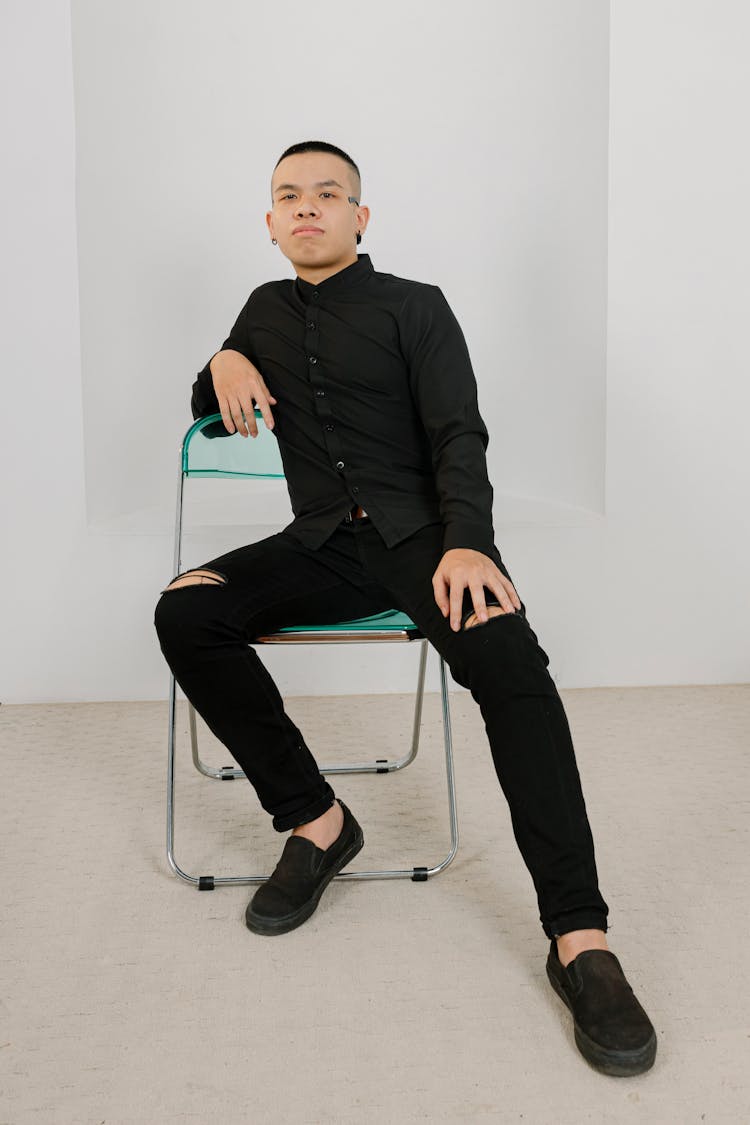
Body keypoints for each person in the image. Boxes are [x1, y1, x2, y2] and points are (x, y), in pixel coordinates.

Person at [154, 140, 656, 1076]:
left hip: (429, 544)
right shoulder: (262, 311)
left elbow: (459, 432)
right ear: (270, 222)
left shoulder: (416, 307)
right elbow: (217, 405)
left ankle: (580, 938)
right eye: (289, 198)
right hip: (320, 546)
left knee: (514, 670)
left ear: (360, 217)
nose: (308, 208)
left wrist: (469, 540)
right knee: (186, 612)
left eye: (329, 195)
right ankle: (316, 822)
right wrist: (222, 355)